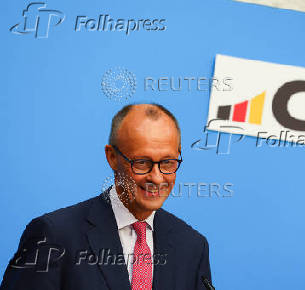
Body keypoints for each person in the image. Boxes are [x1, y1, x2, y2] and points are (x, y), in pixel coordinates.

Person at [1, 103, 212, 290]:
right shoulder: (53, 236)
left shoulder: (192, 247)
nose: (156, 178)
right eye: (141, 163)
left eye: (167, 162)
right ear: (112, 157)